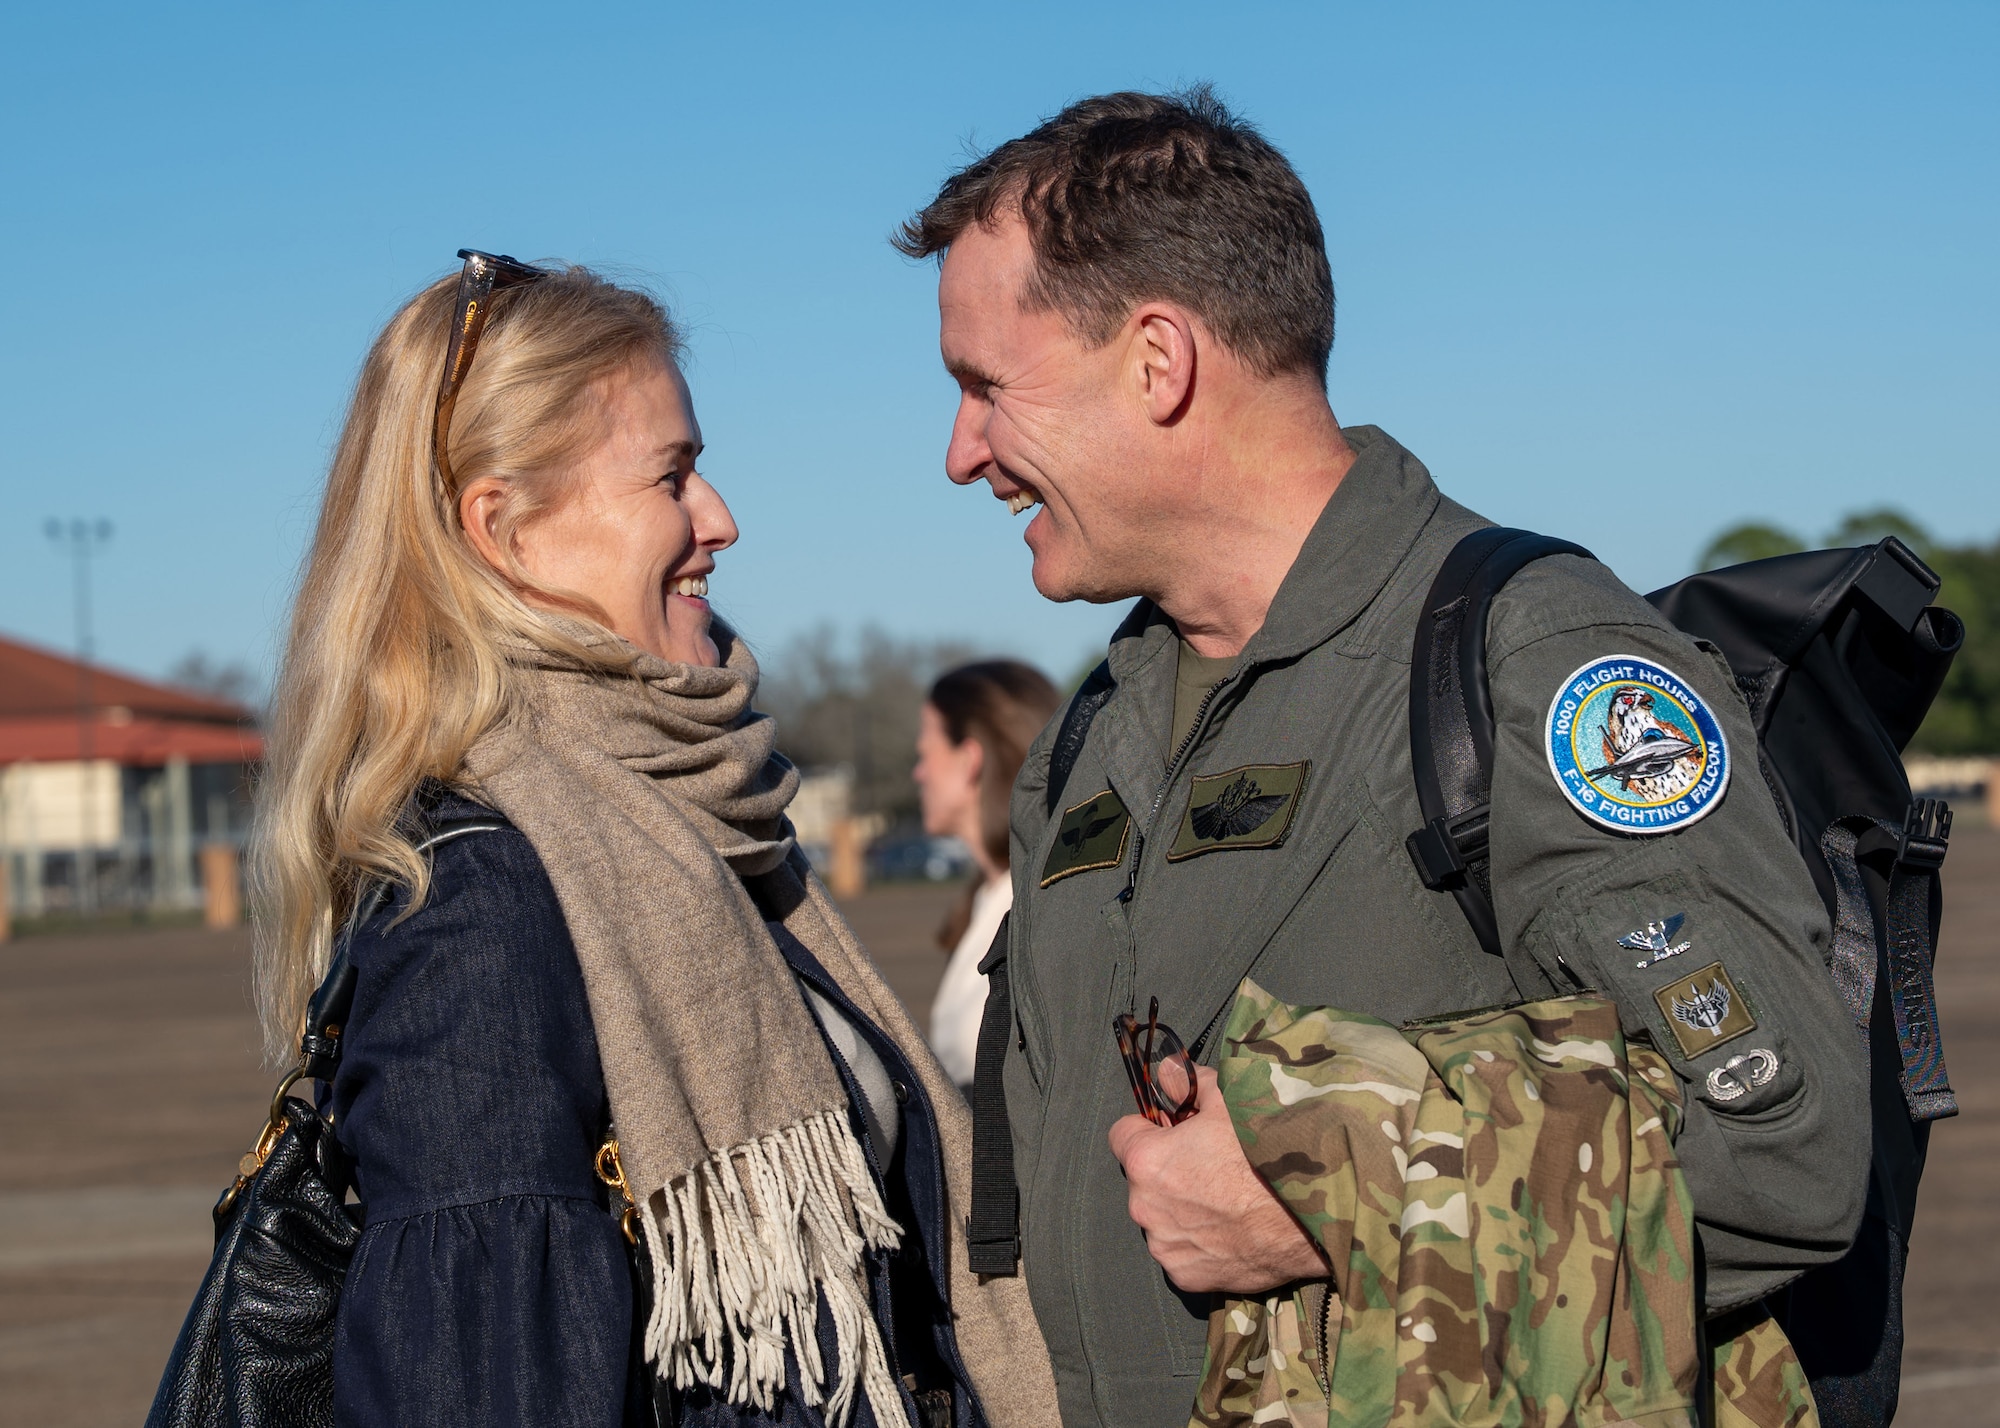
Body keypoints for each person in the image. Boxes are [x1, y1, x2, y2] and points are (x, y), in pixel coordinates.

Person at [895, 89, 1870, 1428]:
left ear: (1158, 361)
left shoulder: (1528, 664)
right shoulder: (1095, 728)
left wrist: (1336, 1185)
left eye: (984, 387)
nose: (962, 457)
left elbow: (1786, 1147)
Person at [252, 252, 1057, 1427]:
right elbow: (478, 1385)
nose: (719, 520)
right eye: (671, 477)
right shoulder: (480, 896)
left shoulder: (706, 822)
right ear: (503, 528)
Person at [913, 661, 1061, 1090]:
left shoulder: (1035, 905)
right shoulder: (990, 898)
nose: (917, 773)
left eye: (925, 754)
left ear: (969, 759)